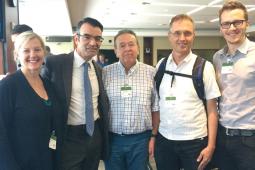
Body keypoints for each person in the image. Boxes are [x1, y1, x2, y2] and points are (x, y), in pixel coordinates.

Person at [41, 17, 109, 170]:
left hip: (95, 135)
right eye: (87, 37)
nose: (93, 42)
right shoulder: (55, 64)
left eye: (98, 38)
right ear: (76, 39)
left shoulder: (99, 70)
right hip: (68, 137)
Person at [154, 14, 220, 170]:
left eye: (187, 33)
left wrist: (211, 146)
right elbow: (157, 103)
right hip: (165, 141)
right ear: (169, 36)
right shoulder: (161, 65)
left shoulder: (204, 67)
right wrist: (154, 136)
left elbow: (212, 110)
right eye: (177, 33)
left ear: (193, 36)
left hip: (195, 143)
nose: (182, 38)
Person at [0, 32, 61, 170]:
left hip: (47, 160)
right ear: (17, 55)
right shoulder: (8, 86)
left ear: (44, 53)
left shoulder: (48, 85)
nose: (33, 55)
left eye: (37, 49)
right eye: (26, 50)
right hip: (20, 163)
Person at [102, 29, 159, 170]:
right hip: (113, 140)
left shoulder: (151, 73)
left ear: (138, 48)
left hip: (141, 141)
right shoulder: (105, 73)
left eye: (131, 44)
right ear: (115, 51)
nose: (127, 48)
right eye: (122, 45)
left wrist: (153, 137)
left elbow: (156, 108)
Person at [212, 1, 255, 169]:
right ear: (221, 28)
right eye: (226, 24)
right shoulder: (217, 57)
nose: (232, 28)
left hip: (250, 139)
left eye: (237, 22)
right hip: (223, 136)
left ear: (247, 24)